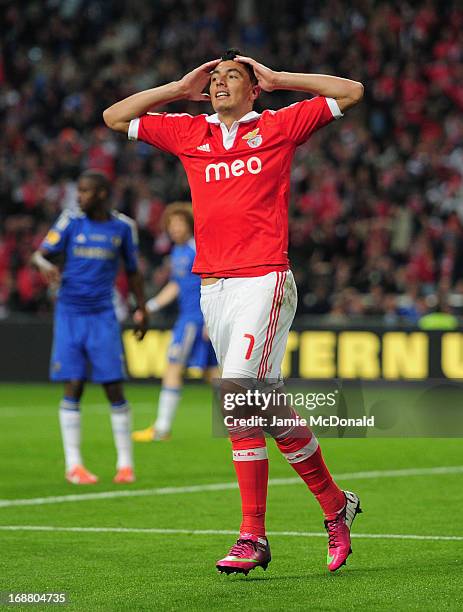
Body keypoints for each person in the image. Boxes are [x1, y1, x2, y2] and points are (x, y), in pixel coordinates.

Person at [103, 48, 364, 573]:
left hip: (263, 278)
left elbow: (350, 91)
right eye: (216, 77)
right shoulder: (189, 132)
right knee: (262, 408)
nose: (221, 84)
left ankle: (253, 536)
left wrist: (279, 77)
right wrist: (179, 88)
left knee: (237, 393)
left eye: (233, 77)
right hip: (214, 288)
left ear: (253, 88)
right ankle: (336, 506)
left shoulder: (277, 126)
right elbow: (115, 117)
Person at [32, 170, 148, 485]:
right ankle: (74, 466)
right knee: (74, 384)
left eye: (85, 191)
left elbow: (134, 271)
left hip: (102, 315)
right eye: (79, 191)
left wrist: (142, 308)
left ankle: (125, 465)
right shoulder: (70, 221)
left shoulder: (123, 227)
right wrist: (48, 267)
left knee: (113, 386)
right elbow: (40, 255)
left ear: (101, 194)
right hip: (70, 313)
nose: (79, 196)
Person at [132, 202, 218, 442]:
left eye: (179, 223)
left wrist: (211, 319)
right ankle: (249, 421)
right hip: (189, 318)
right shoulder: (177, 252)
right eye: (171, 224)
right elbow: (176, 286)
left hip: (195, 319)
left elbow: (213, 280)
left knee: (172, 367)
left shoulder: (196, 248)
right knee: (214, 375)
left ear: (190, 225)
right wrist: (149, 307)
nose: (174, 228)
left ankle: (162, 428)